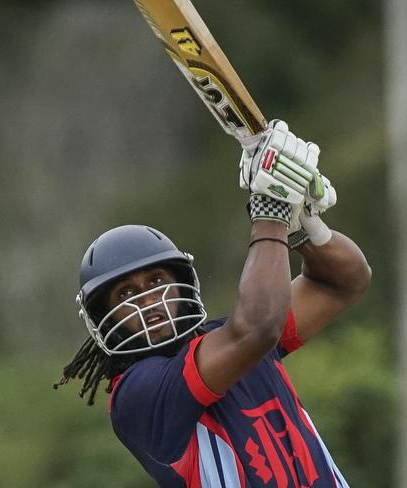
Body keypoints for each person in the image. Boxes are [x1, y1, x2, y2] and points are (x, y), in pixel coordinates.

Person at [56, 120, 371, 487]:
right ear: (102, 317)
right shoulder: (135, 395)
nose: (147, 301)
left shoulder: (236, 342)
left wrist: (304, 223)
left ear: (182, 284)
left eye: (157, 281)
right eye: (125, 294)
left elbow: (342, 283)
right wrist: (271, 210)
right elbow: (257, 329)